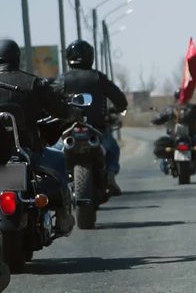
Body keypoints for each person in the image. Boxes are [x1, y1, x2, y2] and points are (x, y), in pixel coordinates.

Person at [0, 39, 79, 235]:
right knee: (59, 160)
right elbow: (59, 108)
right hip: (28, 150)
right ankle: (63, 216)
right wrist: (72, 113)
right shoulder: (33, 83)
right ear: (17, 58)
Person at [53, 40, 128, 196]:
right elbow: (120, 99)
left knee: (54, 154)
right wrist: (119, 108)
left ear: (69, 58)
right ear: (90, 57)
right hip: (96, 128)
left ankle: (55, 185)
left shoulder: (62, 80)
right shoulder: (98, 78)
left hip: (68, 128)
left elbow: (49, 99)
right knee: (113, 149)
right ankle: (110, 176)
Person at [152, 89, 196, 170]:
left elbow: (158, 120)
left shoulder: (169, 109)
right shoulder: (193, 108)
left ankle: (167, 164)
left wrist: (154, 120)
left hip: (174, 138)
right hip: (191, 136)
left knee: (163, 151)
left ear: (175, 97)